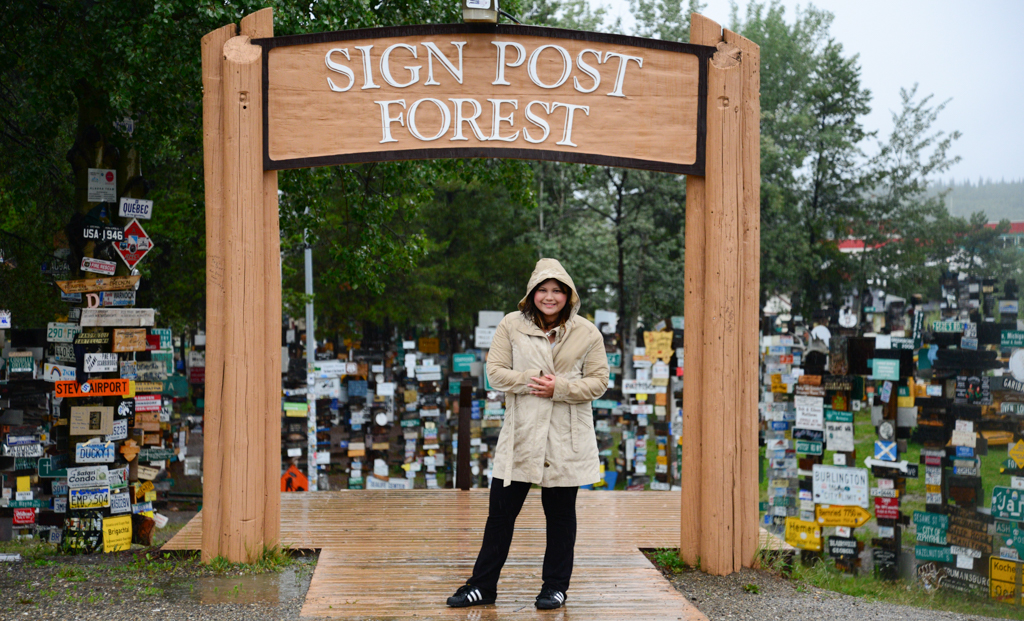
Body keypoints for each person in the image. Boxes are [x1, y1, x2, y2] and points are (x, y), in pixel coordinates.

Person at [446, 258, 609, 610]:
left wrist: (560, 387)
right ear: (532, 293)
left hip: (564, 436)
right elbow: (495, 373)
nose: (549, 297)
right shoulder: (511, 325)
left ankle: (555, 587)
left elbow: (599, 382)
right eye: (543, 290)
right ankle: (482, 586)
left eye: (557, 291)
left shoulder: (587, 332)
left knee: (561, 516)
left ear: (568, 295)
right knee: (501, 514)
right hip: (521, 432)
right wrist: (534, 379)